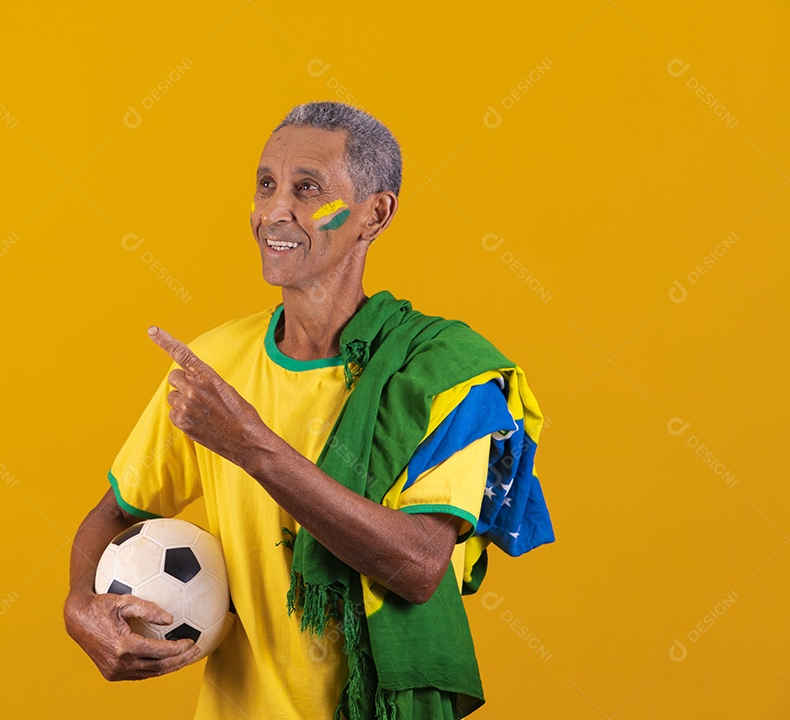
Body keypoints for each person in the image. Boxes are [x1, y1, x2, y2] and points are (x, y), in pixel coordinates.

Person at [63, 101, 554, 720]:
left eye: (307, 189)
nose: (275, 210)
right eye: (266, 184)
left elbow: (418, 564)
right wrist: (79, 606)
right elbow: (113, 513)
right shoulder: (216, 363)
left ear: (376, 214)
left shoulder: (441, 375)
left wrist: (251, 445)